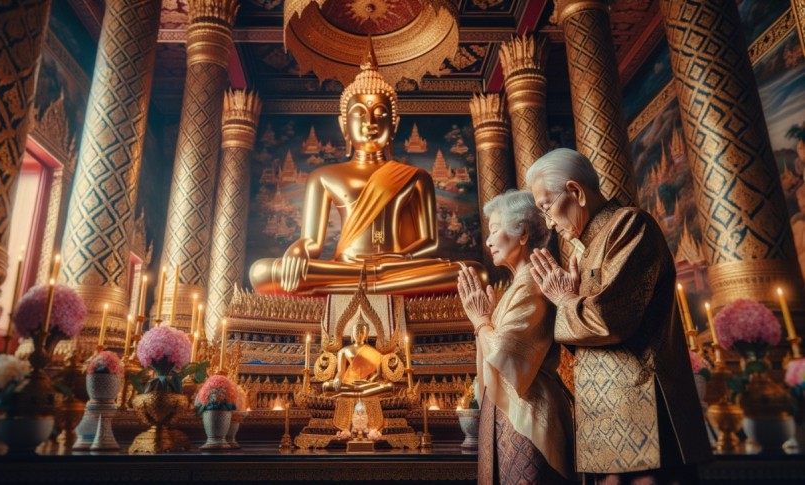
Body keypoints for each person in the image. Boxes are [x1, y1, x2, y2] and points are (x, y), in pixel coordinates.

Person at [526, 148, 711, 483]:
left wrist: (565, 300)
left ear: (576, 191)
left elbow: (610, 321)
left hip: (642, 412)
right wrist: (570, 300)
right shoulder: (587, 250)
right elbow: (587, 339)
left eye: (547, 206)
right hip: (604, 416)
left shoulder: (630, 225)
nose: (549, 222)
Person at [249, 40, 486, 295]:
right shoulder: (323, 177)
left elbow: (428, 240)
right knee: (263, 272)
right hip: (346, 266)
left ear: (394, 125)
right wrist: (299, 248)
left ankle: (368, 283)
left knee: (472, 272)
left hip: (397, 266)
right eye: (360, 114)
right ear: (344, 125)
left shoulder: (417, 177)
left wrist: (400, 258)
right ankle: (375, 283)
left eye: (380, 114)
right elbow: (313, 242)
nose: (370, 122)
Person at [457, 189, 575, 484]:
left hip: (528, 415)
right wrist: (482, 322)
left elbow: (504, 357)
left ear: (522, 233)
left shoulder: (532, 284)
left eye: (495, 230)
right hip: (509, 416)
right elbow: (489, 366)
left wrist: (481, 321)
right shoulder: (516, 286)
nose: (488, 241)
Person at [321, 314, 393, 399]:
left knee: (389, 387)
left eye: (362, 331)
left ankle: (350, 393)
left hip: (367, 384)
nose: (359, 334)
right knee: (326, 386)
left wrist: (368, 381)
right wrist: (337, 379)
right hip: (349, 383)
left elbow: (377, 374)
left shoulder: (373, 351)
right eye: (356, 331)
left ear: (366, 334)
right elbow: (340, 372)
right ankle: (360, 392)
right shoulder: (344, 351)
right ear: (352, 333)